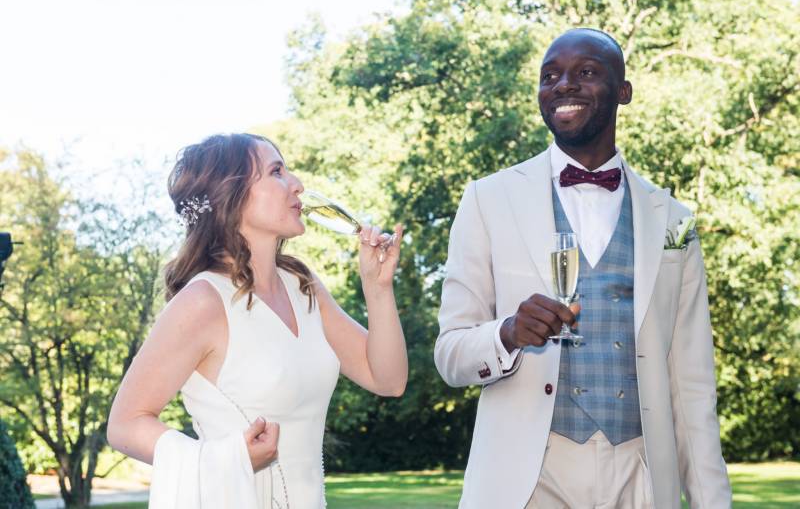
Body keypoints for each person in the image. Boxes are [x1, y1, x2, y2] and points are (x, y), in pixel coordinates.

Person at [434, 28, 731, 508]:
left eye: (586, 72)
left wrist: (710, 501)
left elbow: (693, 385)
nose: (563, 85)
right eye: (549, 76)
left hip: (640, 471)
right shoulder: (488, 200)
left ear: (623, 92)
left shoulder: (674, 221)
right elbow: (449, 354)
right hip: (528, 475)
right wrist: (506, 333)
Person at [108, 133, 407, 509]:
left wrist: (377, 289)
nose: (297, 184)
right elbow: (124, 424)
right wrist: (230, 459)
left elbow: (389, 379)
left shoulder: (303, 285)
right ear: (231, 197)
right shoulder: (202, 302)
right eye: (277, 171)